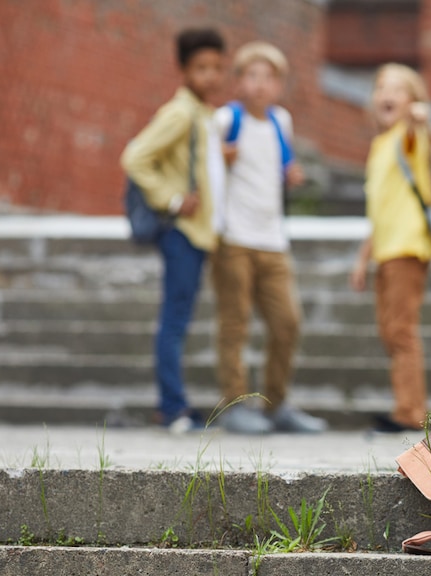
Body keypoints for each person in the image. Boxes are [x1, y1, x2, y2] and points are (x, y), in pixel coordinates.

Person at [209, 41, 326, 434]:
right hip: (234, 239)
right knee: (235, 323)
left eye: (269, 77)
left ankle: (277, 404)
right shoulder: (226, 120)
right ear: (239, 81)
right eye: (252, 75)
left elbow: (278, 164)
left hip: (273, 240)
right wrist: (218, 160)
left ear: (279, 85)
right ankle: (236, 404)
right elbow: (206, 171)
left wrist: (290, 175)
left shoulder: (281, 121)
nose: (260, 85)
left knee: (287, 322)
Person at [121, 28, 226, 434]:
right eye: (201, 67)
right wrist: (172, 199)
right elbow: (135, 157)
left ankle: (174, 404)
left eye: (217, 67)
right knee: (175, 319)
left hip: (199, 234)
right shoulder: (181, 112)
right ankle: (172, 407)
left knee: (179, 317)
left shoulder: (203, 113)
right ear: (183, 70)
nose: (211, 76)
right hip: (181, 233)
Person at [349, 63, 431, 433]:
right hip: (385, 249)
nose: (386, 94)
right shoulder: (380, 144)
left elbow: (421, 131)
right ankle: (406, 406)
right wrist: (363, 258)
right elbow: (379, 209)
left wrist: (419, 117)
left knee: (401, 330)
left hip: (407, 246)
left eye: (397, 89)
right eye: (381, 87)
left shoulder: (407, 137)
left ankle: (409, 412)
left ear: (412, 100)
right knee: (390, 331)